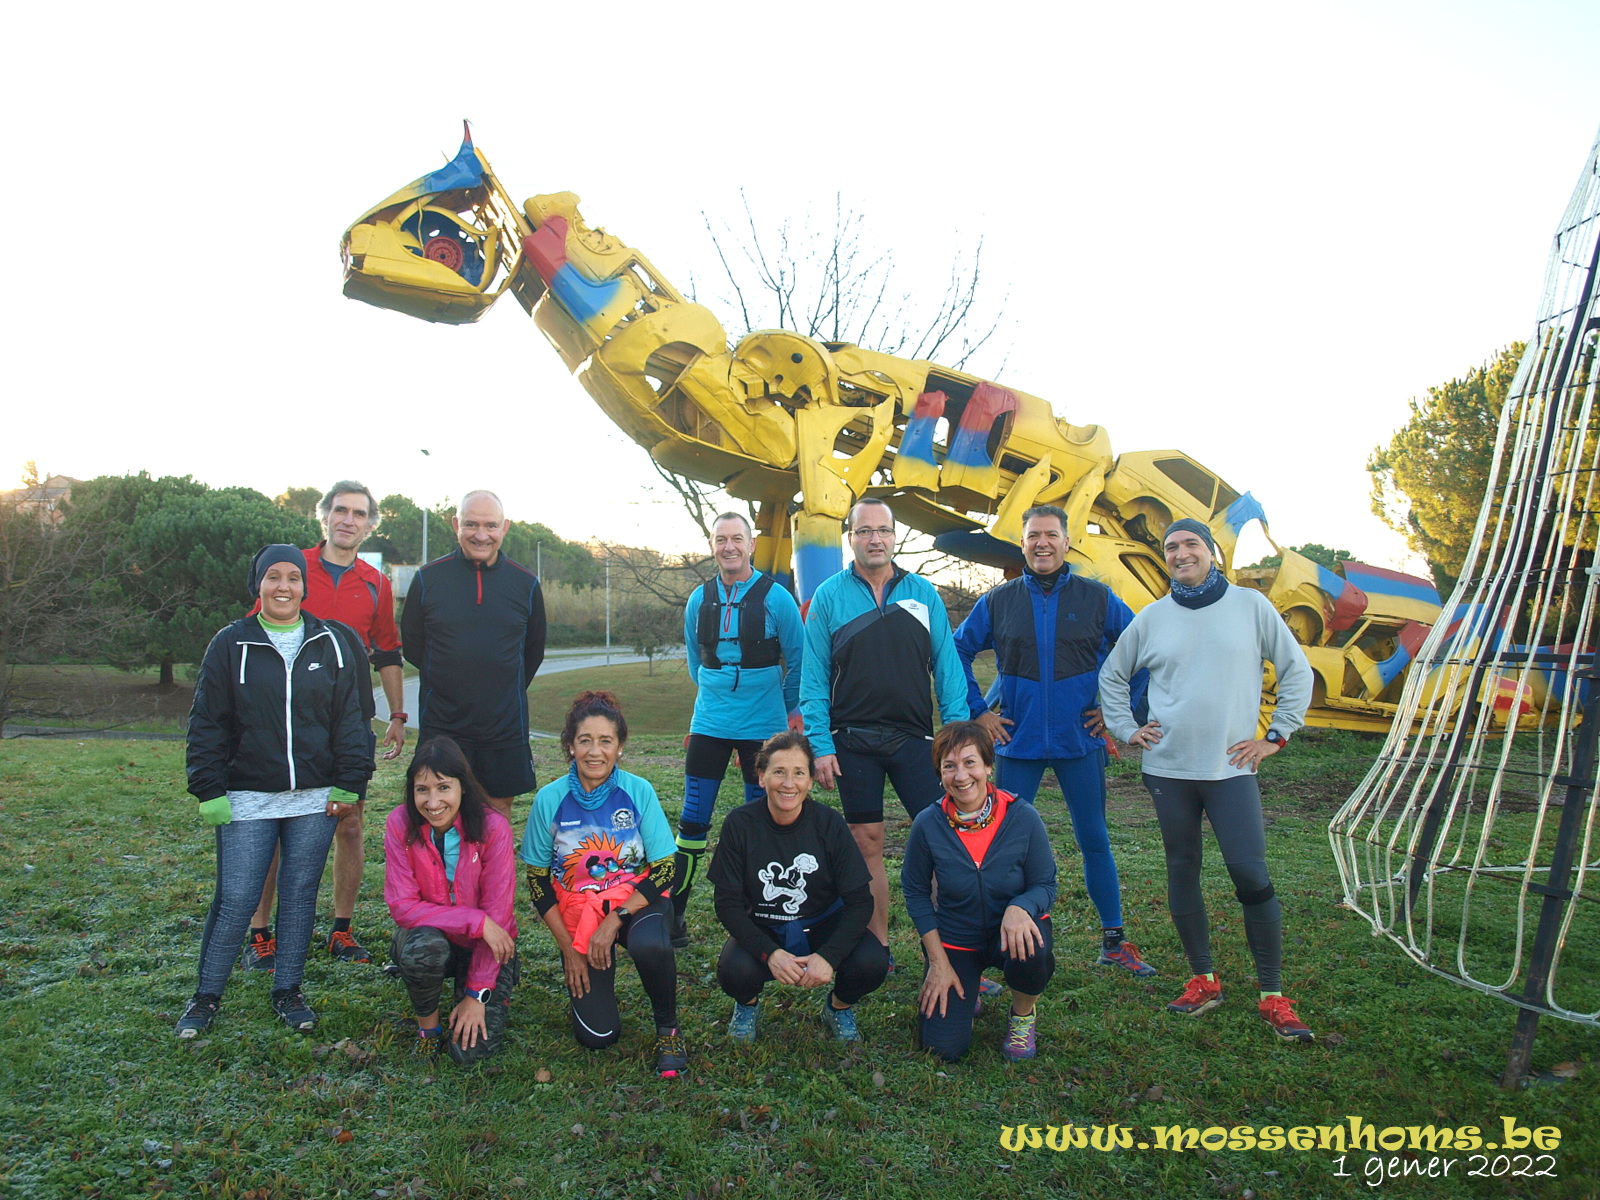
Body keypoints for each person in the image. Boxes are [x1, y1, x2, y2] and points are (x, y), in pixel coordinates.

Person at [1098, 518, 1316, 1041]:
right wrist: (1127, 728)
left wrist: (1276, 735)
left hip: (1230, 769)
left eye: (1191, 544)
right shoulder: (1153, 617)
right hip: (1168, 769)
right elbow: (1112, 674)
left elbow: (1297, 669)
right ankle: (1203, 981)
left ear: (1212, 552)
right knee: (1183, 869)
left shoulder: (1250, 606)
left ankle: (1273, 995)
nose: (1181, 553)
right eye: (1171, 547)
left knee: (1250, 873)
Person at [177, 545, 374, 1038]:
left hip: (314, 797)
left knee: (299, 894)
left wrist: (350, 783)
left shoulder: (329, 642)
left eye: (293, 577)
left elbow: (350, 720)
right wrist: (208, 788)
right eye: (273, 577)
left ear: (304, 586)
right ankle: (205, 996)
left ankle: (288, 990)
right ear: (258, 585)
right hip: (246, 796)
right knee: (237, 898)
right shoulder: (230, 643)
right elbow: (207, 721)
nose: (283, 586)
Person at [954, 504, 1153, 979]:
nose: (1041, 543)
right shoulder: (998, 600)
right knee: (998, 845)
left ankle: (1113, 942)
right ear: (1022, 544)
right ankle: (987, 945)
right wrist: (979, 712)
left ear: (1066, 542)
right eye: (1033, 536)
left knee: (1094, 839)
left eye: (1050, 535)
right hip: (1016, 742)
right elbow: (957, 648)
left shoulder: (1097, 597)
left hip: (1078, 741)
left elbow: (1142, 650)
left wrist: (1117, 712)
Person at [245, 480, 405, 971]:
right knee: (273, 827)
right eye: (340, 510)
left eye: (358, 513)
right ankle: (260, 934)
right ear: (325, 516)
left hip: (349, 721)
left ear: (370, 524)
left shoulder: (376, 583)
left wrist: (398, 715)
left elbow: (388, 652)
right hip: (286, 719)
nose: (348, 520)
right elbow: (254, 635)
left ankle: (341, 929)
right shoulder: (293, 569)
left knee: (350, 824)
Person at [799, 498, 969, 953]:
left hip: (916, 739)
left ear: (895, 537)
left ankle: (951, 949)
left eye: (883, 531)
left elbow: (948, 670)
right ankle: (878, 949)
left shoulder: (923, 593)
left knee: (944, 839)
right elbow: (812, 678)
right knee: (866, 842)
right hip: (851, 741)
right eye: (864, 531)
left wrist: (956, 740)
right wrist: (820, 744)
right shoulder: (828, 597)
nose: (874, 539)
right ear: (850, 538)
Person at [520, 691, 686, 1078]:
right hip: (579, 912)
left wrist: (614, 920)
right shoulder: (549, 800)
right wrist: (570, 949)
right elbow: (537, 882)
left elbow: (666, 868)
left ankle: (668, 1030)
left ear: (620, 747)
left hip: (635, 903)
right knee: (598, 1036)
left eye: (606, 741)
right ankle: (592, 986)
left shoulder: (638, 791)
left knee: (650, 943)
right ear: (570, 746)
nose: (595, 752)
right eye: (585, 740)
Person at [673, 512, 805, 948]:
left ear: (751, 545)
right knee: (693, 819)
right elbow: (696, 661)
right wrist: (716, 695)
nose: (728, 547)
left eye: (736, 539)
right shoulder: (699, 599)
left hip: (763, 725)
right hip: (711, 721)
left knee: (761, 820)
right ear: (713, 546)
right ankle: (674, 916)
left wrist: (780, 707)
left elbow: (798, 660)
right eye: (720, 539)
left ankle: (760, 914)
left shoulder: (777, 598)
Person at [706, 731, 888, 1044]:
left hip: (822, 924)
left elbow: (860, 901)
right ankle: (747, 1005)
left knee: (872, 961)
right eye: (779, 772)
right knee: (734, 970)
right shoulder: (740, 824)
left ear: (811, 780)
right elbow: (727, 904)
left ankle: (838, 1007)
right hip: (765, 927)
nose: (789, 783)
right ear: (761, 776)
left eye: (799, 773)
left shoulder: (829, 823)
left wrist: (829, 956)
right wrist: (770, 953)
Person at [902, 721, 1057, 1062]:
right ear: (940, 773)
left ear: (988, 766)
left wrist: (1021, 907)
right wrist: (937, 962)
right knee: (942, 1049)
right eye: (949, 766)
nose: (961, 776)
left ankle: (1022, 1015)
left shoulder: (1022, 816)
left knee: (1033, 951)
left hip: (1011, 933)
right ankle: (967, 987)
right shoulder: (928, 824)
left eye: (970, 763)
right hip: (957, 938)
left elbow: (1045, 883)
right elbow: (914, 892)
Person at [402, 490, 546, 819]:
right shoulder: (428, 579)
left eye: (490, 526)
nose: (481, 535)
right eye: (471, 524)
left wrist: (498, 686)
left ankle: (491, 860)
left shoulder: (526, 583)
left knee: (497, 810)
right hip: (442, 725)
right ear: (456, 525)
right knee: (438, 811)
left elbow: (533, 652)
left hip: (503, 726)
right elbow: (413, 645)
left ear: (505, 528)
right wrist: (452, 678)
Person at [384, 736, 518, 1064]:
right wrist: (475, 920)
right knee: (424, 950)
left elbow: (498, 916)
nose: (433, 802)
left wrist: (475, 994)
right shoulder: (399, 824)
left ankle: (484, 985)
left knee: (469, 1054)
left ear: (463, 787)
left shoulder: (494, 827)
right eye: (422, 789)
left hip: (487, 946)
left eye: (443, 787)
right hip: (432, 937)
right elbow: (402, 906)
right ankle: (428, 1030)